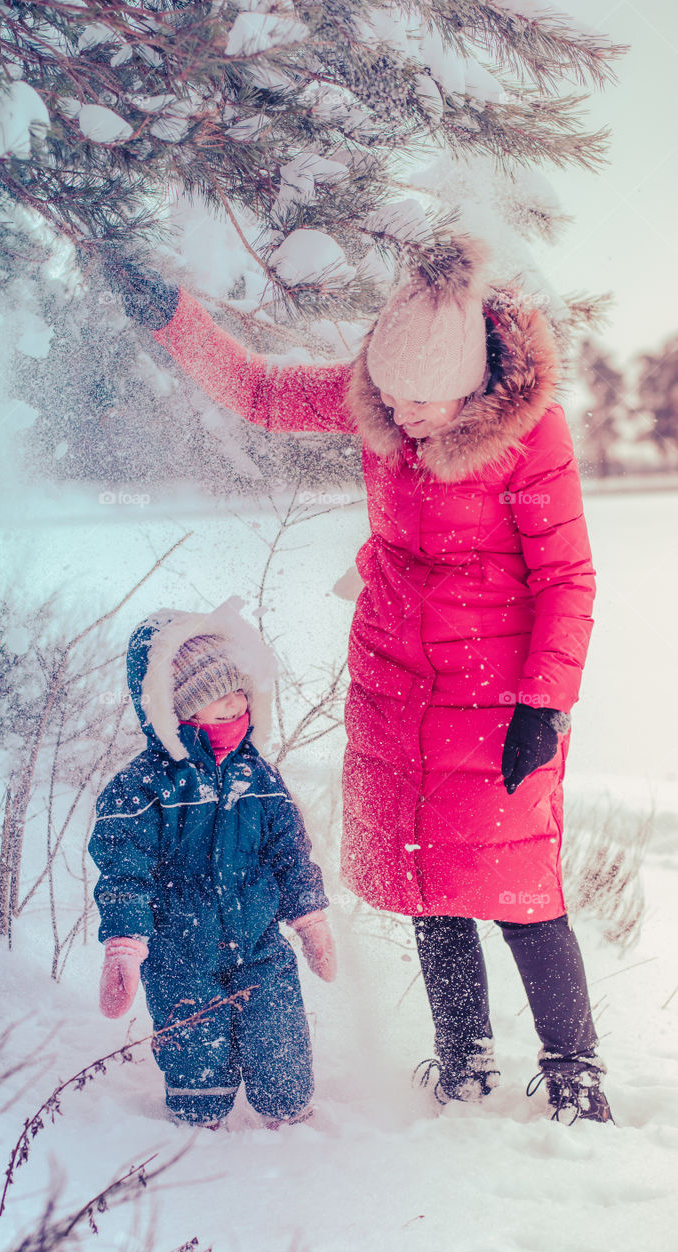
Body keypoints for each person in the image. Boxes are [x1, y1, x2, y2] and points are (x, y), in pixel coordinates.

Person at [102, 235, 612, 1125]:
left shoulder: (531, 435)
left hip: (496, 690)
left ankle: (575, 1076)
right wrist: (172, 318)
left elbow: (567, 577)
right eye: (395, 398)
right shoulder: (375, 398)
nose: (407, 417)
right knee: (424, 877)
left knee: (519, 885)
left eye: (427, 402)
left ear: (470, 388)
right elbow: (260, 392)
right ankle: (465, 1062)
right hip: (391, 679)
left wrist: (546, 700)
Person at [88, 600, 336, 1129]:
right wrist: (126, 948)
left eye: (237, 693)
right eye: (213, 700)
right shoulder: (143, 788)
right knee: (197, 1079)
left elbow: (290, 850)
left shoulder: (259, 776)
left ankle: (294, 1130)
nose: (232, 703)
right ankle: (198, 1138)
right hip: (180, 955)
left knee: (283, 1065)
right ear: (173, 710)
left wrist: (310, 920)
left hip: (261, 947)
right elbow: (123, 871)